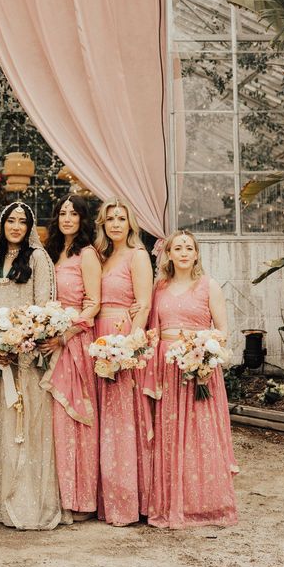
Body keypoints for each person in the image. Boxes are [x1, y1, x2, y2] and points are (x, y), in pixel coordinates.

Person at [0, 201, 61, 531]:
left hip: (25, 361)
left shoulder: (37, 259)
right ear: (2, 224)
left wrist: (19, 345)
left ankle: (23, 502)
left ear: (29, 227)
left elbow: (44, 307)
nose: (16, 226)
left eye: (22, 221)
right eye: (10, 220)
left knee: (22, 430)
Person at [145, 230, 239, 529]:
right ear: (168, 254)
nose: (184, 252)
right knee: (171, 434)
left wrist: (202, 352)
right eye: (178, 248)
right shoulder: (158, 288)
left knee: (200, 435)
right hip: (168, 368)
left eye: (189, 248)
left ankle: (206, 505)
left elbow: (222, 331)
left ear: (196, 254)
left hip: (199, 370)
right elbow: (154, 330)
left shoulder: (209, 286)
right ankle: (173, 503)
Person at [94, 197, 154, 526]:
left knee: (122, 421)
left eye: (121, 218)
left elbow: (143, 304)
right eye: (110, 219)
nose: (116, 224)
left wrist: (129, 347)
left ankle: (128, 502)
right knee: (104, 419)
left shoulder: (138, 256)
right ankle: (104, 499)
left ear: (131, 222)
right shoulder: (102, 256)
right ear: (103, 224)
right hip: (98, 338)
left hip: (121, 340)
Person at [40, 195, 100, 520]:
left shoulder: (86, 254)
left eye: (73, 214)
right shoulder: (52, 252)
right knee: (54, 422)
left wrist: (66, 334)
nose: (67, 218)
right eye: (62, 213)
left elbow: (93, 303)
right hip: (51, 338)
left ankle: (82, 499)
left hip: (74, 342)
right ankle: (61, 495)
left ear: (82, 219)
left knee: (74, 418)